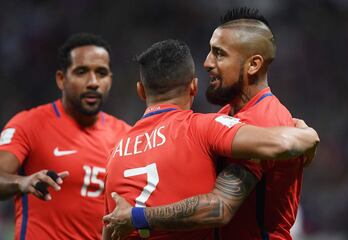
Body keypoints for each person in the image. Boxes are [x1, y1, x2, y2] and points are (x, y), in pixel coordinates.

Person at [102, 39, 319, 239]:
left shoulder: (114, 153)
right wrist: (307, 134)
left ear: (140, 91)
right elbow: (279, 142)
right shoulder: (203, 127)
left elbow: (108, 228)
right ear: (194, 86)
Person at [0, 33, 130, 240]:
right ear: (61, 79)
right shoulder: (29, 124)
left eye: (101, 73)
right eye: (81, 72)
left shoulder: (126, 137)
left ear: (110, 80)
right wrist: (22, 182)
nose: (93, 82)